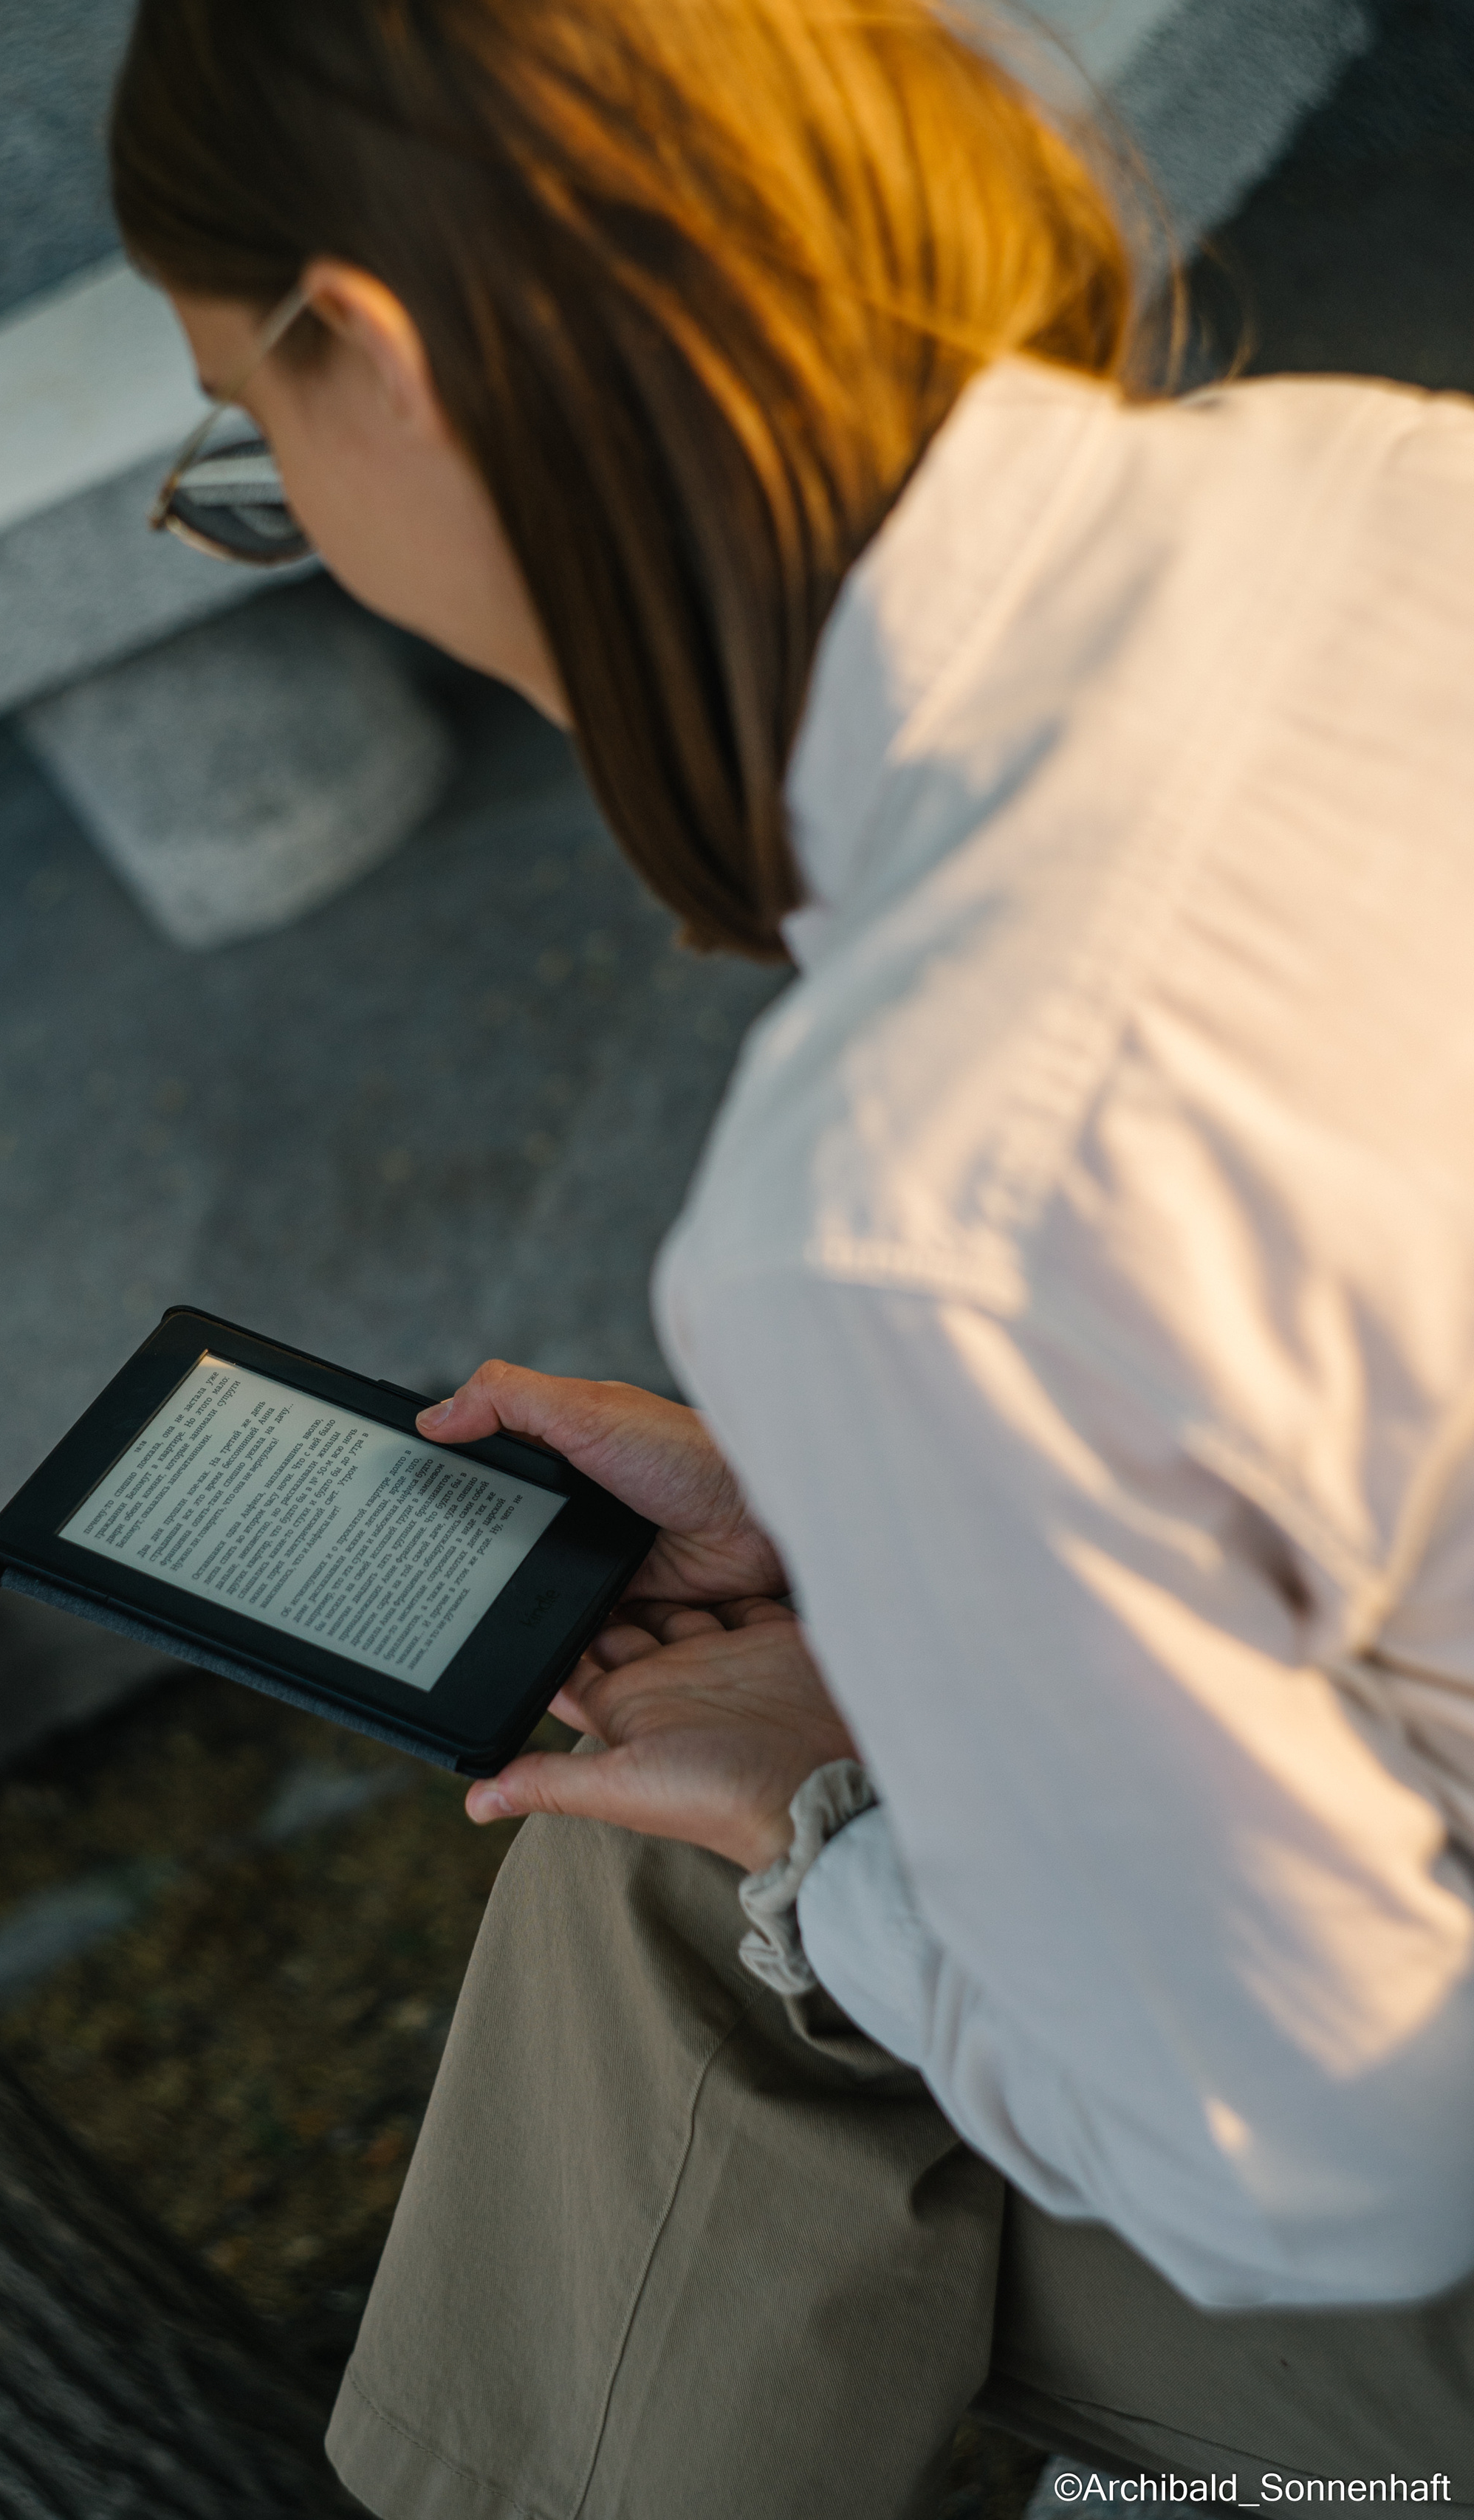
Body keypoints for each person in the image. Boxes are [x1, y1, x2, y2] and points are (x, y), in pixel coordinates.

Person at [108, 1, 1474, 2510]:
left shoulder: (909, 1197)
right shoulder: (1390, 476)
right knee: (689, 1853)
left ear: (386, 368)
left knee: (701, 1903)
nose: (288, 503)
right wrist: (890, 1531)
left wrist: (836, 1836)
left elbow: (1339, 2171)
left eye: (246, 446)